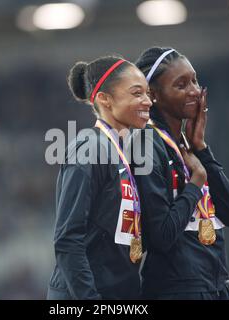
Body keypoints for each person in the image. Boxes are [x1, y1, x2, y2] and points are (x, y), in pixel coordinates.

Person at [134, 46, 229, 299]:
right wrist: (195, 183)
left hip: (216, 285)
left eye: (194, 80)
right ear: (154, 95)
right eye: (181, 85)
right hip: (177, 289)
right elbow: (161, 236)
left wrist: (202, 150)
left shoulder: (188, 147)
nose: (195, 90)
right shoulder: (146, 144)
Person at [47, 56, 152, 299]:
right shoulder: (89, 148)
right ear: (104, 99)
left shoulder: (121, 152)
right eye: (137, 93)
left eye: (147, 93)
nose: (147, 101)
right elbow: (67, 240)